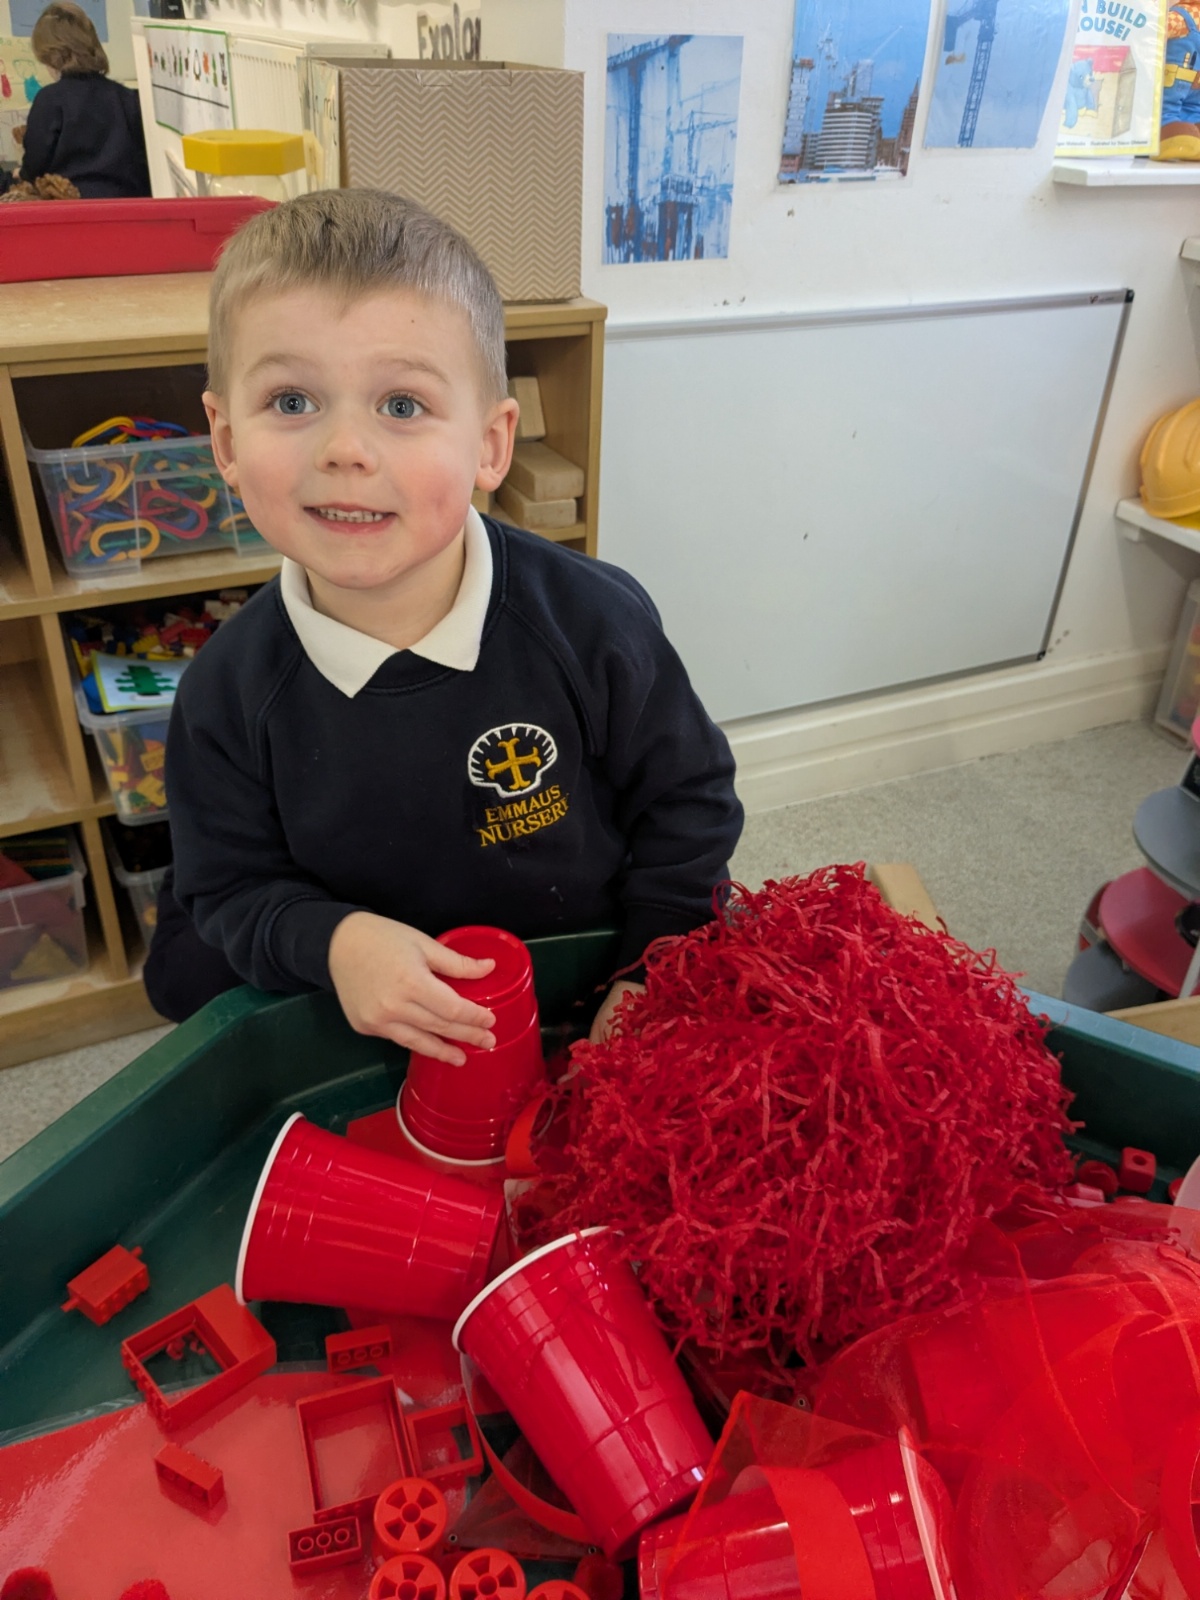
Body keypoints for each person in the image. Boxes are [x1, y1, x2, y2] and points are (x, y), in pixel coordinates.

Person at [145, 189, 742, 1061]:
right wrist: (335, 942)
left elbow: (690, 806)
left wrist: (652, 970)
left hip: (587, 994)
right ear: (226, 441)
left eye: (401, 406)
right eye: (292, 401)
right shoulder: (224, 694)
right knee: (181, 977)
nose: (345, 450)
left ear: (491, 445)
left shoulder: (594, 624)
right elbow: (229, 887)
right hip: (375, 1023)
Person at [17, 2, 150, 198]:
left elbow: (34, 166)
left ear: (52, 56)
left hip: (72, 206)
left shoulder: (49, 100)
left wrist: (20, 175)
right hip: (128, 205)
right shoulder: (128, 98)